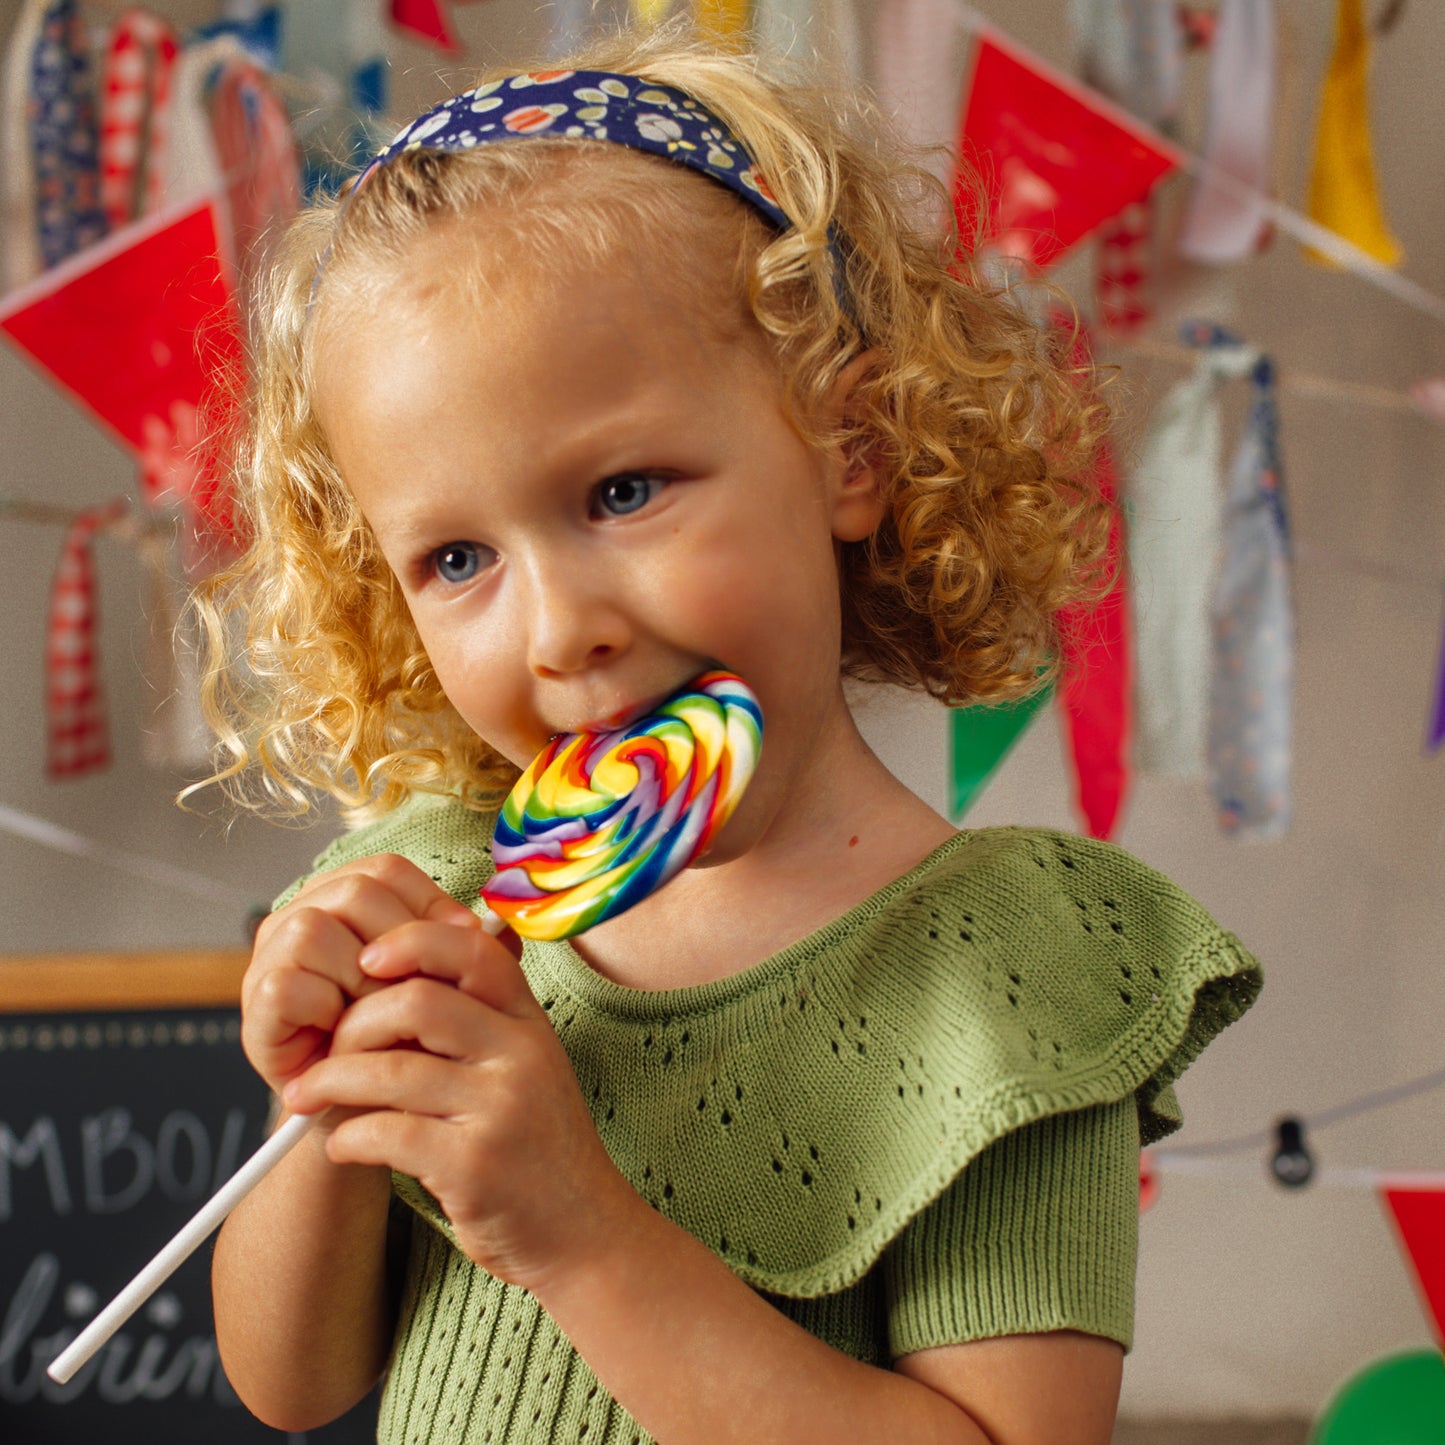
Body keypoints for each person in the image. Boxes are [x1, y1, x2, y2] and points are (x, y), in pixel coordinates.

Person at [201, 23, 1262, 1445]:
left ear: (850, 448)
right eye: (456, 560)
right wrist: (311, 1114)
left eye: (623, 489)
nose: (556, 625)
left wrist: (581, 1234)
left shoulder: (1005, 976)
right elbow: (290, 1379)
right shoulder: (433, 898)